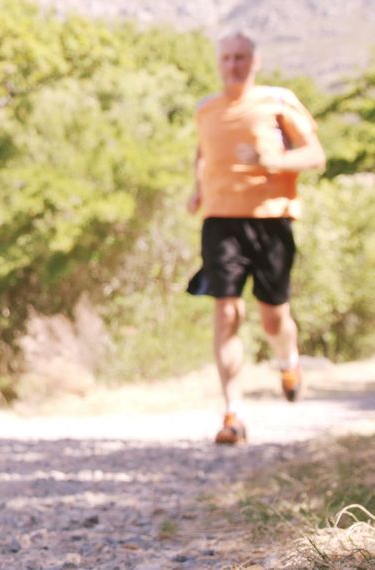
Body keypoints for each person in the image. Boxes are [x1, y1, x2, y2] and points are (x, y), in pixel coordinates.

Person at [187, 31, 326, 445]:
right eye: (227, 57)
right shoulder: (206, 109)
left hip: (270, 221)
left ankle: (289, 361)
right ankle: (233, 414)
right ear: (219, 61)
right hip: (220, 221)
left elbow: (316, 156)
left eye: (241, 57)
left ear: (255, 61)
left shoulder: (278, 102)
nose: (233, 65)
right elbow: (203, 153)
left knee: (272, 317)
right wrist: (197, 188)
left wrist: (274, 162)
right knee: (227, 313)